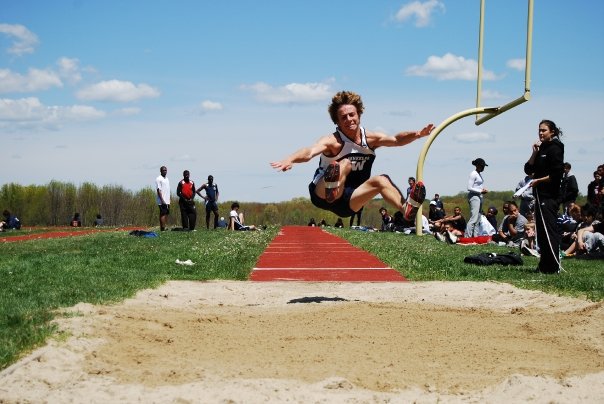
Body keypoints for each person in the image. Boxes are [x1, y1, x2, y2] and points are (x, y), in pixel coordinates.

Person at [270, 90, 434, 226]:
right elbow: (309, 151)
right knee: (344, 164)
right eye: (343, 117)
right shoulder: (332, 141)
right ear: (337, 122)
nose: (349, 120)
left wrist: (418, 134)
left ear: (359, 114)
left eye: (351, 115)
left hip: (350, 201)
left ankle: (406, 209)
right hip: (322, 194)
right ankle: (333, 189)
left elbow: (397, 140)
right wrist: (290, 159)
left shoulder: (370, 139)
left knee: (382, 180)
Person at [524, 119, 565, 274]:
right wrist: (534, 152)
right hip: (539, 195)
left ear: (552, 132)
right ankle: (544, 264)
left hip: (549, 197)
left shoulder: (555, 148)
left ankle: (553, 266)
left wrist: (538, 181)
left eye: (544, 130)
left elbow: (556, 174)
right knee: (541, 232)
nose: (541, 133)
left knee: (550, 231)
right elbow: (528, 169)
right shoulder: (542, 148)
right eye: (539, 130)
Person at [466, 158, 488, 237]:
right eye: (482, 166)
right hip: (474, 197)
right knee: (473, 218)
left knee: (478, 218)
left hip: (479, 196)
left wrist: (482, 190)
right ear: (478, 165)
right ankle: (468, 237)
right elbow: (469, 187)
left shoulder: (478, 174)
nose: (483, 168)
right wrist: (480, 191)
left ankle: (475, 236)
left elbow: (477, 186)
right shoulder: (473, 173)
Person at [155, 166, 170, 231]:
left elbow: (167, 189)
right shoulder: (158, 179)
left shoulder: (167, 178)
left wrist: (169, 199)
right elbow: (158, 190)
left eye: (166, 170)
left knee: (166, 213)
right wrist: (162, 200)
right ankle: (162, 229)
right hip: (162, 201)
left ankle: (164, 227)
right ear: (160, 171)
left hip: (167, 200)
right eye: (163, 170)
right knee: (162, 214)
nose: (165, 171)